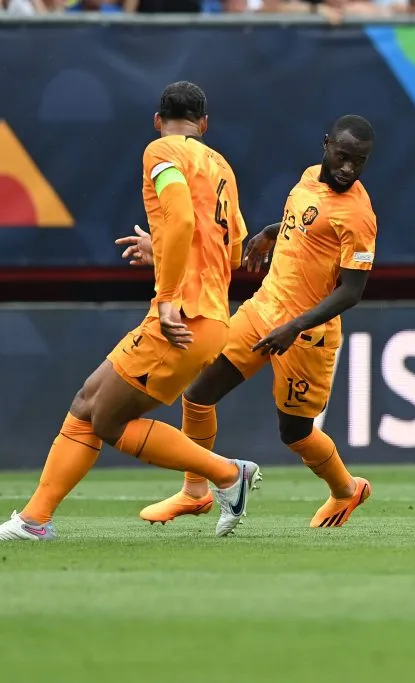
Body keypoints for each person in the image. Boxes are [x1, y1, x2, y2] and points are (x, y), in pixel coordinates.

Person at [0, 82, 260, 541]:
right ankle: (34, 520)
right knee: (87, 403)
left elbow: (182, 219)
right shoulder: (220, 165)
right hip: (209, 313)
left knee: (108, 421)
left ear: (156, 119)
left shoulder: (161, 151)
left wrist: (166, 297)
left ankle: (226, 474)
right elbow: (233, 249)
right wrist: (160, 247)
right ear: (204, 124)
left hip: (181, 315)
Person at [119, 115, 377, 529]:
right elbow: (309, 223)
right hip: (263, 310)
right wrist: (273, 231)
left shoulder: (359, 215)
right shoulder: (310, 177)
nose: (348, 168)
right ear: (326, 145)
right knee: (198, 396)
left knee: (295, 433)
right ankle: (195, 492)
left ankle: (347, 489)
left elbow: (352, 291)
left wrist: (294, 327)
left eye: (358, 162)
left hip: (306, 336)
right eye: (343, 157)